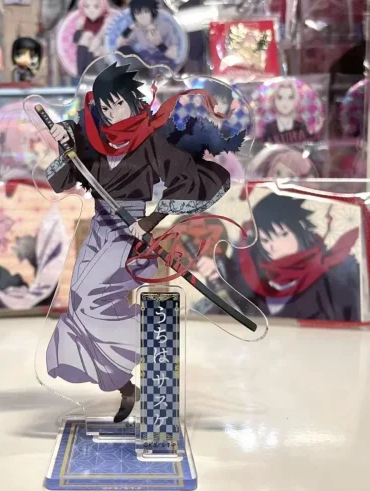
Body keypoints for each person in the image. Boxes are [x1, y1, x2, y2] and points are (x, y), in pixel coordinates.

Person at [45, 63, 241, 423]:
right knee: (79, 302)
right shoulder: (91, 139)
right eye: (104, 107)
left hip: (130, 235)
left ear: (133, 102)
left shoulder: (151, 139)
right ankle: (125, 386)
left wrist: (149, 221)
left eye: (117, 104)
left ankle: (151, 336)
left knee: (88, 297)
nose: (111, 113)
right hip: (101, 228)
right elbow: (62, 181)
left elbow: (185, 179)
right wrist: (66, 141)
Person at [196, 193, 361, 321]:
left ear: (300, 228)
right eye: (265, 240)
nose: (272, 246)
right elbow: (235, 315)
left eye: (282, 235)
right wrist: (218, 276)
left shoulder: (337, 271)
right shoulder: (254, 271)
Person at [116, 0, 178, 68]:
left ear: (152, 11)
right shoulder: (137, 29)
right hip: (146, 63)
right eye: (137, 13)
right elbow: (120, 46)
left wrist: (159, 44)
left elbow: (174, 55)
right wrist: (130, 28)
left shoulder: (165, 27)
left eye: (146, 11)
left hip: (164, 62)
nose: (142, 16)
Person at [73, 0, 112, 76]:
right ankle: (82, 73)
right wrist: (79, 29)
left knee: (96, 46)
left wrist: (98, 37)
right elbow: (75, 40)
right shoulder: (83, 20)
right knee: (87, 36)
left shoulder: (107, 20)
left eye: (96, 6)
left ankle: (90, 73)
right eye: (87, 6)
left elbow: (109, 40)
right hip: (86, 56)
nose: (91, 10)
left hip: (101, 54)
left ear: (103, 7)